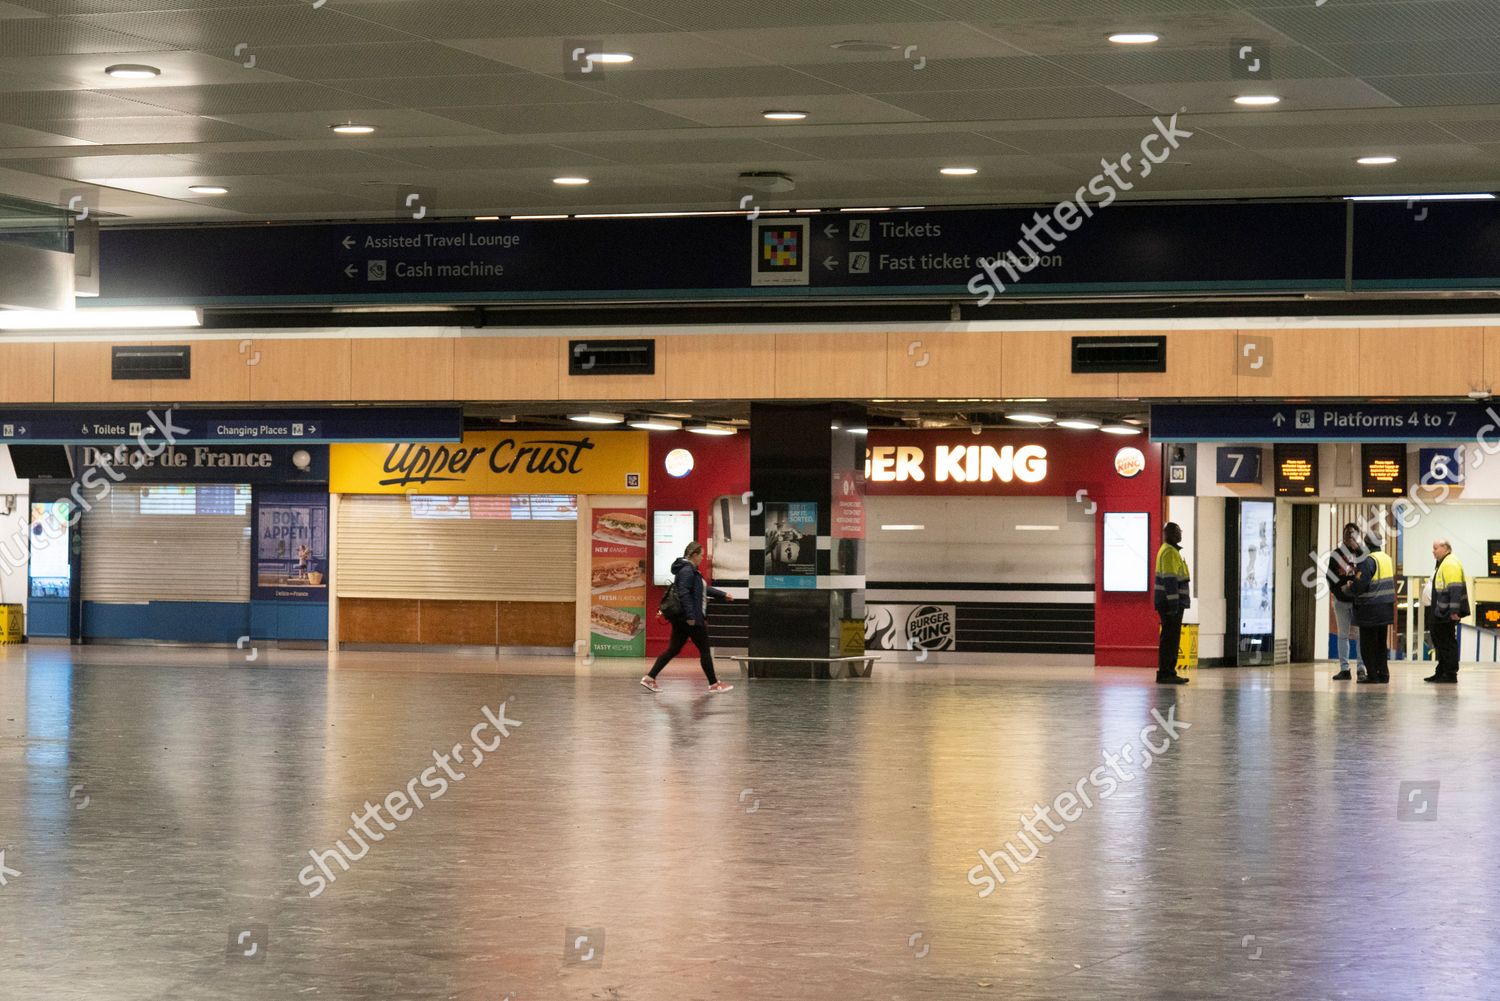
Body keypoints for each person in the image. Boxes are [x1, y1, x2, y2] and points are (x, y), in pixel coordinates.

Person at [641, 541, 734, 694]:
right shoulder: (687, 571)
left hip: (683, 619)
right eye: (701, 555)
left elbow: (702, 589)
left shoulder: (689, 570)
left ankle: (649, 678)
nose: (702, 558)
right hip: (691, 619)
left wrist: (723, 595)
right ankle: (714, 684)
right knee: (704, 650)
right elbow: (684, 594)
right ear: (693, 555)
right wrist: (691, 616)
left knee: (673, 649)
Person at [1349, 531, 1396, 685]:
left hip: (1370, 609)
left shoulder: (1368, 561)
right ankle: (1383, 674)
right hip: (1386, 608)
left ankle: (1372, 676)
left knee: (1368, 644)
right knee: (1381, 643)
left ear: (1367, 544)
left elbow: (1361, 584)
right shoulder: (1387, 559)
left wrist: (1350, 587)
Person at [1326, 523, 1367, 681]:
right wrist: (1339, 591)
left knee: (1358, 636)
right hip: (1341, 600)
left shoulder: (1362, 554)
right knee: (1342, 635)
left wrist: (1357, 549)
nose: (1349, 537)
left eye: (1352, 534)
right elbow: (1330, 576)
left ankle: (1361, 668)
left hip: (1357, 602)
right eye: (1347, 534)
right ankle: (1344, 668)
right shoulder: (1335, 554)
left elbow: (1366, 573)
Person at [1425, 538, 1468, 684]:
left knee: (1447, 642)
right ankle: (1441, 671)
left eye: (1436, 548)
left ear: (1446, 548)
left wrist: (1454, 611)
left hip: (1446, 612)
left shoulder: (1450, 563)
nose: (1433, 551)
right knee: (1440, 642)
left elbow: (1455, 588)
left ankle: (1449, 673)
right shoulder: (1443, 563)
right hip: (1440, 610)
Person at [1153, 521, 1191, 685]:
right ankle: (1166, 672)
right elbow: (1170, 580)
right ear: (1169, 534)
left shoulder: (1170, 551)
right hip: (1170, 604)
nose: (1180, 534)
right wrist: (1174, 605)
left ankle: (1168, 671)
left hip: (1169, 603)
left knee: (1170, 637)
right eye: (1177, 531)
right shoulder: (1169, 552)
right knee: (1170, 638)